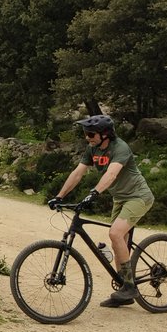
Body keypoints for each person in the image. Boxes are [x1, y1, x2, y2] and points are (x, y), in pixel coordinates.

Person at [48, 114, 154, 308]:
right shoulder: (92, 149)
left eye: (90, 134)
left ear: (105, 134)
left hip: (139, 197)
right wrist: (59, 196)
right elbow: (78, 173)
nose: (87, 137)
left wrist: (94, 193)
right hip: (120, 199)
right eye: (85, 134)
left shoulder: (120, 147)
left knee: (115, 234)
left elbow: (112, 174)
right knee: (117, 242)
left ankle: (130, 287)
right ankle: (125, 290)